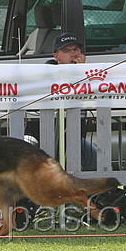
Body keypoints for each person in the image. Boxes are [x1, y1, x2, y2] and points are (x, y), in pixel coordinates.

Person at [34, 32, 97, 170]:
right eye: (66, 51)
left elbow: (91, 98)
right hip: (42, 139)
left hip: (74, 138)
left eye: (76, 50)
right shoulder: (46, 73)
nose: (73, 54)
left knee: (98, 161)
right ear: (56, 56)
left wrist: (80, 71)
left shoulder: (89, 74)